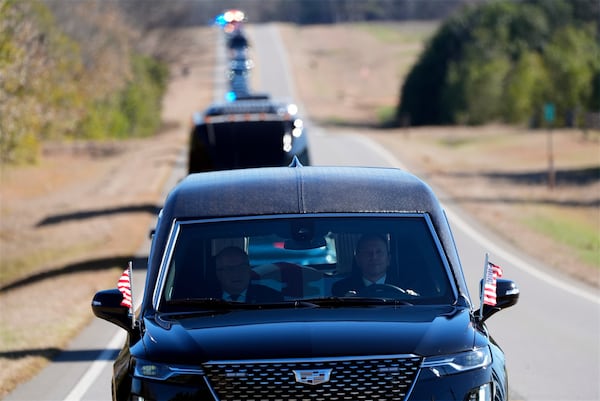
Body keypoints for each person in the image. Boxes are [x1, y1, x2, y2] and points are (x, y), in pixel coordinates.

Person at [331, 234, 398, 296]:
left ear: (388, 259)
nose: (374, 257)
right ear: (358, 260)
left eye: (379, 252)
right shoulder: (341, 288)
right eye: (367, 252)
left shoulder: (403, 286)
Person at [210, 246, 283, 303]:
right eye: (230, 269)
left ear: (249, 269)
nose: (237, 273)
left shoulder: (271, 298)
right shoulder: (204, 299)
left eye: (242, 267)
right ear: (218, 273)